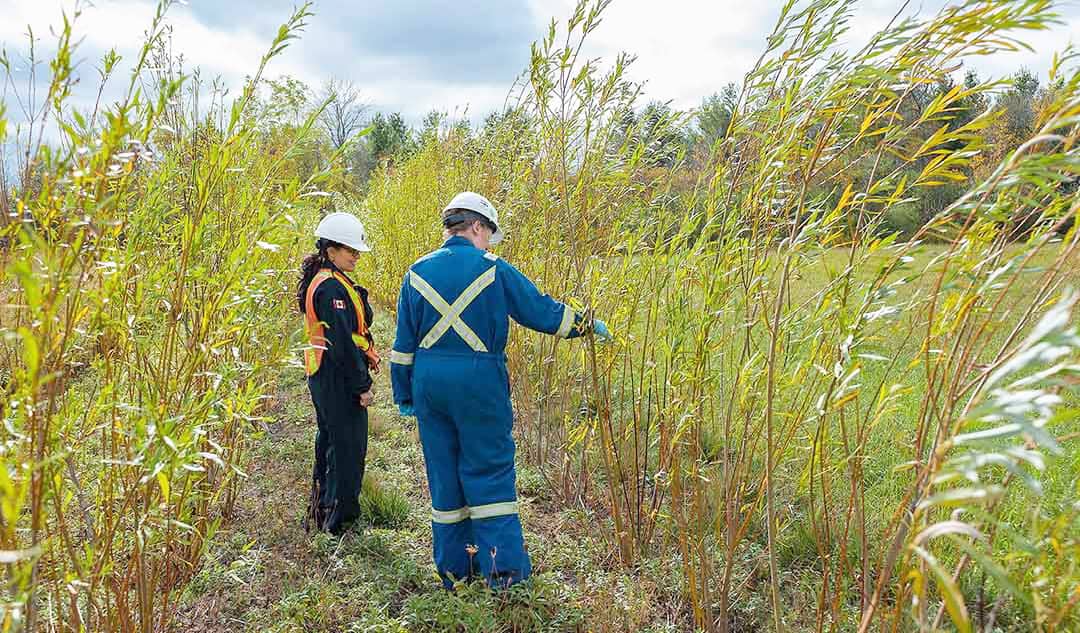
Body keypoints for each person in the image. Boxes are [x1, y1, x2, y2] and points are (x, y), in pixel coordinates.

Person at [390, 191, 612, 589]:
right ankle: (503, 574)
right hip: (479, 382)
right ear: (476, 226)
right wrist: (585, 325)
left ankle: (455, 573)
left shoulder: (416, 273)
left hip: (429, 385)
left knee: (443, 474)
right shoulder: (494, 269)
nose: (489, 242)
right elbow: (540, 310)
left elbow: (403, 345)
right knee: (489, 474)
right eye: (488, 233)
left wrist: (404, 394)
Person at [297, 212, 380, 535]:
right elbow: (342, 345)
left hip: (325, 376)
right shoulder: (330, 288)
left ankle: (323, 511)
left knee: (332, 442)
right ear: (330, 250)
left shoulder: (332, 281)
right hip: (336, 378)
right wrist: (362, 386)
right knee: (347, 448)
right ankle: (340, 522)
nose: (356, 255)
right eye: (350, 250)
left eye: (357, 250)